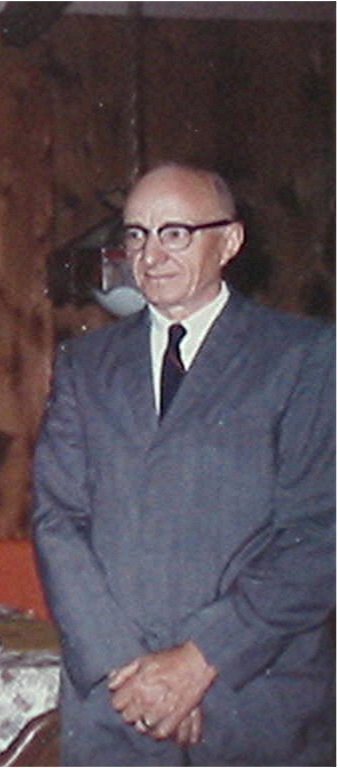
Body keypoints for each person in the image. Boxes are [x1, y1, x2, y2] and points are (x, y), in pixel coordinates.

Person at [33, 163, 335, 765]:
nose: (151, 254)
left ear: (229, 241)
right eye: (137, 234)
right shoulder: (85, 364)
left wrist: (199, 661)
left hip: (250, 700)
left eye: (175, 233)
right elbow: (57, 520)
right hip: (116, 707)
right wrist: (131, 673)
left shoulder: (305, 356)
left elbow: (319, 532)